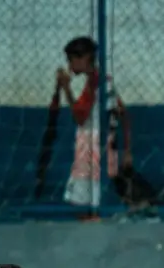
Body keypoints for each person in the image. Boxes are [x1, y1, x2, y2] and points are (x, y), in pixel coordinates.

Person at [58, 36, 129, 216]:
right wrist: (127, 149)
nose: (69, 65)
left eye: (71, 60)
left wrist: (66, 88)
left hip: (91, 149)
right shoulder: (105, 81)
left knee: (84, 204)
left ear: (83, 58)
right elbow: (122, 112)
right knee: (93, 200)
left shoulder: (94, 84)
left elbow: (80, 117)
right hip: (105, 145)